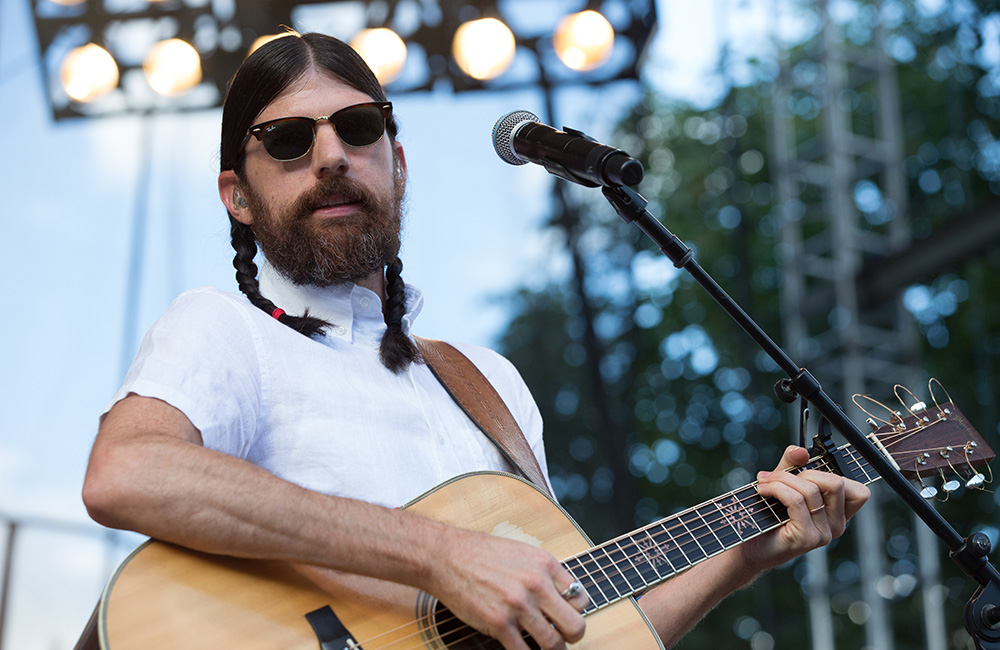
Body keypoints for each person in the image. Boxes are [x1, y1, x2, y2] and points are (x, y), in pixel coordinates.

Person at [82, 32, 869, 650]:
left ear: (395, 162)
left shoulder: (487, 383)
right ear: (238, 197)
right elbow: (128, 472)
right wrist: (437, 555)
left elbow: (581, 626)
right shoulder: (225, 329)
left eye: (358, 129)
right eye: (288, 140)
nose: (330, 156)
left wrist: (745, 554)